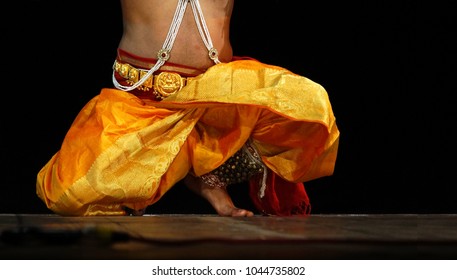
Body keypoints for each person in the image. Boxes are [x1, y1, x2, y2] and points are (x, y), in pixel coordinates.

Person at [36, 0, 340, 217]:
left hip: (215, 97)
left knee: (311, 106)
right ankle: (168, 169)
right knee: (69, 194)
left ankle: (207, 172)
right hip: (143, 100)